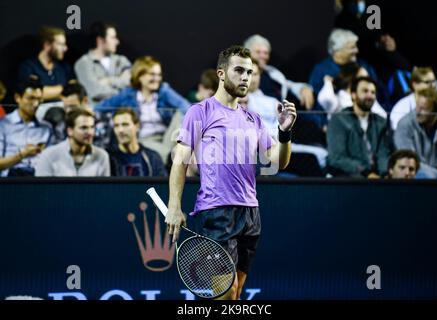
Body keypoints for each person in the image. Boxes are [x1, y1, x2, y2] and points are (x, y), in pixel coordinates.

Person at [165, 45, 296, 300]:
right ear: (221, 74)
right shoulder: (199, 112)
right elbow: (179, 161)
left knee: (235, 295)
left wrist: (285, 133)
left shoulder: (254, 119)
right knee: (224, 295)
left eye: (249, 72)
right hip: (217, 212)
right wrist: (174, 205)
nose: (245, 77)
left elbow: (278, 163)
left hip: (250, 213)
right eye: (239, 70)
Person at [95, 56, 191, 161]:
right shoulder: (128, 94)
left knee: (182, 115)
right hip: (143, 139)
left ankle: (169, 158)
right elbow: (100, 108)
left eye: (159, 75)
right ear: (140, 76)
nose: (157, 79)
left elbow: (187, 107)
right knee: (169, 152)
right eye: (152, 75)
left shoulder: (163, 91)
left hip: (167, 137)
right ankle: (170, 157)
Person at [327, 77, 391, 178]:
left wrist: (384, 174)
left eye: (373, 92)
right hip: (349, 176)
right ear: (353, 95)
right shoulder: (339, 120)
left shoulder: (380, 122)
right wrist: (366, 172)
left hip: (376, 176)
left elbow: (383, 153)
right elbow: (337, 158)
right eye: (365, 91)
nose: (370, 95)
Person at [243, 34, 314, 109]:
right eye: (258, 52)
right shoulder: (240, 75)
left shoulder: (272, 72)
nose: (263, 56)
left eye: (265, 53)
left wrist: (302, 89)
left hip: (278, 116)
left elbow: (288, 84)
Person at [35, 108, 110, 176]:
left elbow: (104, 190)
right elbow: (42, 190)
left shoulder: (102, 156)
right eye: (84, 128)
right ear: (70, 131)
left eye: (92, 127)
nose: (90, 132)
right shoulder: (49, 155)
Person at [394, 88, 437, 179]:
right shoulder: (405, 124)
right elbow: (409, 162)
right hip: (415, 176)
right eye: (417, 106)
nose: (417, 112)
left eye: (423, 109)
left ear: (436, 113)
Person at [0, 78, 52, 176]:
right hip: (9, 181)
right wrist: (22, 155)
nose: (36, 104)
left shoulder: (46, 128)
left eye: (39, 99)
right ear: (17, 98)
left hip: (38, 180)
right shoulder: (3, 125)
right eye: (31, 98)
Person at [74, 21, 131, 104]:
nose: (117, 42)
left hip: (124, 112)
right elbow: (95, 91)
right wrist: (123, 90)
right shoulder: (83, 63)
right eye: (113, 38)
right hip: (99, 113)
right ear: (100, 40)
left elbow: (131, 82)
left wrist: (109, 81)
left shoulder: (122, 60)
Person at [17, 26, 74, 103]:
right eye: (61, 44)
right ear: (47, 45)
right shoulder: (28, 67)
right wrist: (64, 89)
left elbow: (74, 90)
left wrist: (47, 91)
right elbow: (32, 94)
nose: (65, 48)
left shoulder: (64, 67)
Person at [108, 108, 167, 177]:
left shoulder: (152, 158)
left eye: (125, 124)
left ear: (137, 126)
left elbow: (160, 185)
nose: (120, 130)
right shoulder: (109, 158)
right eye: (116, 126)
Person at [317, 62, 387, 119]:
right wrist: (328, 83)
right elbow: (325, 99)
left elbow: (383, 116)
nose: (367, 82)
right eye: (363, 78)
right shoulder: (337, 99)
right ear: (351, 80)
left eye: (367, 78)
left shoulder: (368, 98)